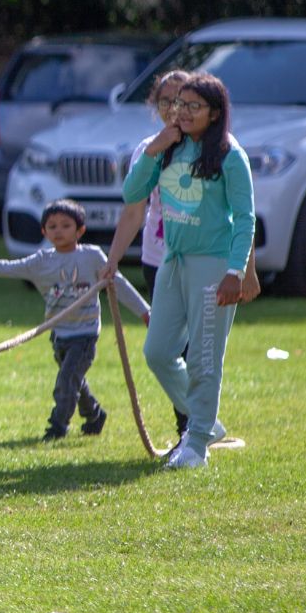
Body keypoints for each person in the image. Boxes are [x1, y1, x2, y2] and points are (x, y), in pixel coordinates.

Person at [105, 70, 258, 437]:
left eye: (193, 105)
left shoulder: (229, 154)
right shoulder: (166, 147)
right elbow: (132, 196)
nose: (182, 111)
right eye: (177, 104)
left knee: (204, 358)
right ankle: (207, 425)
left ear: (215, 112)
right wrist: (155, 149)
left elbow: (245, 218)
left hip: (214, 263)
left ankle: (197, 441)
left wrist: (237, 271)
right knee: (157, 352)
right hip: (171, 261)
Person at [0, 197, 151, 441]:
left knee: (66, 380)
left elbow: (119, 283)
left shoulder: (92, 258)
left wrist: (144, 311)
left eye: (66, 225)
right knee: (74, 379)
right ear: (43, 231)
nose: (58, 231)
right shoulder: (41, 262)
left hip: (85, 334)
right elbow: (8, 267)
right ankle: (95, 415)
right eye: (52, 226)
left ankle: (57, 428)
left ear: (80, 230)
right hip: (59, 334)